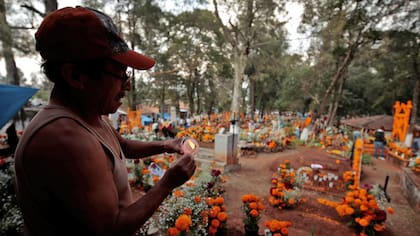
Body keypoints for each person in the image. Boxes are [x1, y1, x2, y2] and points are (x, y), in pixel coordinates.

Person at [14, 6, 196, 236]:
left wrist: (165, 145)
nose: (127, 85)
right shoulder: (64, 138)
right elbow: (111, 229)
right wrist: (168, 183)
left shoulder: (89, 116)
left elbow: (122, 146)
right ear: (75, 76)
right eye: (120, 73)